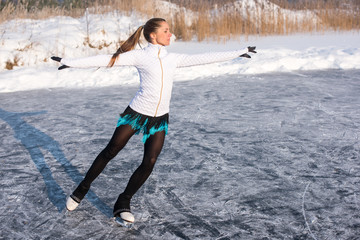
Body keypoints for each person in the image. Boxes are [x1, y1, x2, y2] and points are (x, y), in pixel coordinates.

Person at [51, 17, 256, 224]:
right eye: (166, 31)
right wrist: (70, 63)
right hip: (137, 112)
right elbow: (108, 59)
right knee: (111, 150)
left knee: (150, 161)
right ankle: (81, 189)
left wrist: (238, 52)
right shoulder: (140, 56)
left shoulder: (172, 58)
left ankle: (123, 202)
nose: (170, 34)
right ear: (153, 35)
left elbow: (205, 57)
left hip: (159, 119)